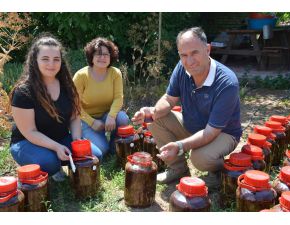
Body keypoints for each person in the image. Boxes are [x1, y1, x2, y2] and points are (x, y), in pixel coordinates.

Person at [132, 27, 242, 189]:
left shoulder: (227, 83)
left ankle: (221, 173)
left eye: (194, 53)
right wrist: (153, 111)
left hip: (223, 133)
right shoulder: (182, 68)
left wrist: (180, 146)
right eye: (184, 55)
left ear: (208, 49)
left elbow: (211, 132)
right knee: (155, 119)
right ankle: (178, 168)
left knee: (199, 158)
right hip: (193, 126)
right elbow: (169, 99)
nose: (189, 61)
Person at [9, 34, 101, 181]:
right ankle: (48, 164)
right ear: (35, 60)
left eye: (56, 59)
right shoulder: (23, 91)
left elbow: (75, 117)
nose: (51, 64)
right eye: (45, 59)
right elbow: (29, 131)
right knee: (50, 163)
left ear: (61, 62)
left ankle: (59, 160)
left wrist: (77, 140)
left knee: (94, 154)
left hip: (61, 138)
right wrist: (56, 147)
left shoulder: (68, 86)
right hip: (26, 142)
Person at [73, 37, 129, 156]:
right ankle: (89, 140)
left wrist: (111, 116)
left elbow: (119, 97)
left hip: (106, 116)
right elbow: (74, 105)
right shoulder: (81, 76)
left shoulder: (115, 73)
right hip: (85, 119)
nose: (102, 57)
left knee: (122, 118)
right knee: (102, 150)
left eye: (106, 54)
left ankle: (115, 148)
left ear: (111, 57)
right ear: (91, 57)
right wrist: (92, 122)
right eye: (98, 54)